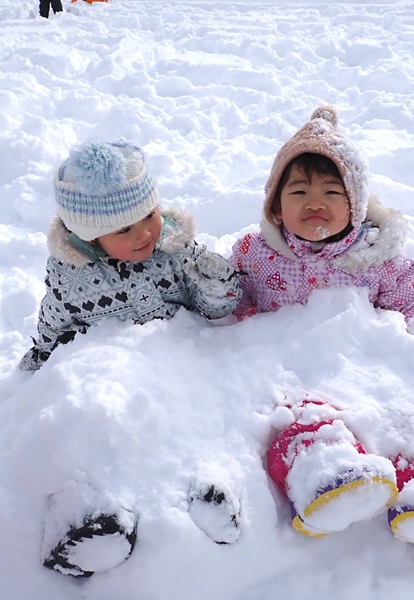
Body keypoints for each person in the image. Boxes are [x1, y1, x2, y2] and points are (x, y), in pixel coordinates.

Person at [229, 106, 414, 558]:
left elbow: (413, 300)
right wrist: (221, 297)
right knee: (301, 418)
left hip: (372, 365)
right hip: (300, 369)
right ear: (275, 205)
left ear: (357, 206)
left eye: (332, 192)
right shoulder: (257, 254)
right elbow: (233, 297)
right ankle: (329, 477)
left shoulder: (377, 256)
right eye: (299, 191)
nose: (315, 202)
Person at [21, 139, 243, 577]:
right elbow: (54, 322)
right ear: (90, 237)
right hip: (108, 371)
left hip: (173, 363)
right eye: (124, 229)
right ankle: (89, 522)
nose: (144, 233)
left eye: (148, 215)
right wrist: (41, 358)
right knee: (96, 425)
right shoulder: (71, 276)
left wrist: (216, 282)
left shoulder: (175, 250)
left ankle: (209, 491)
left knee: (193, 416)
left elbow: (214, 309)